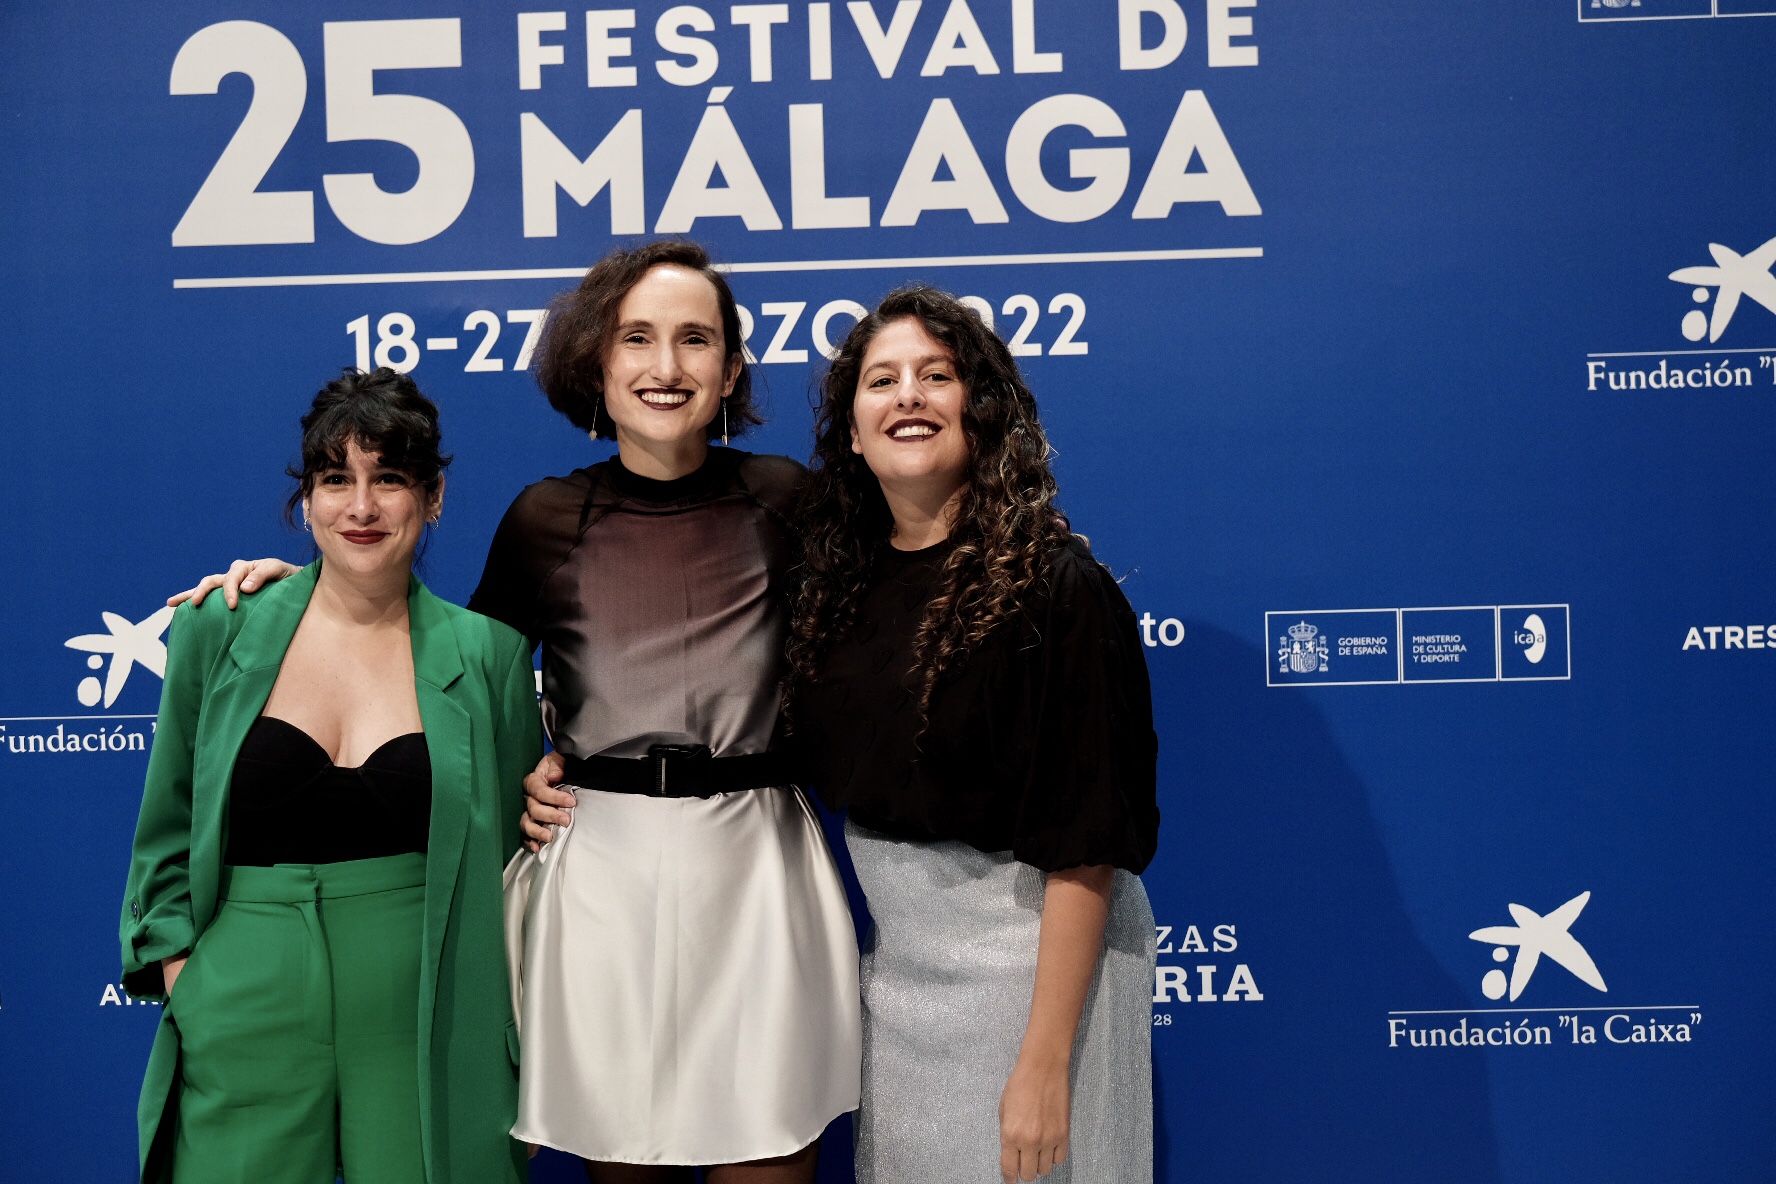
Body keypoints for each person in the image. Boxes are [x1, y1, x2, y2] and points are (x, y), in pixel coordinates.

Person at [171, 241, 861, 1184]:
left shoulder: (793, 500)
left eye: (695, 340)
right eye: (637, 339)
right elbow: (444, 666)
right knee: (628, 1153)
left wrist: (1009, 546)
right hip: (602, 873)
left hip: (760, 867)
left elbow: (908, 587)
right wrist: (307, 597)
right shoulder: (546, 516)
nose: (666, 367)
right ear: (597, 363)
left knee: (773, 1146)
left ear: (731, 368)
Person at [121, 368, 541, 1184]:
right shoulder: (219, 628)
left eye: (389, 479)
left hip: (429, 1000)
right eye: (336, 479)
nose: (362, 507)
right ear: (305, 501)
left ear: (434, 497)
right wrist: (187, 978)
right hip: (245, 991)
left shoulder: (488, 656)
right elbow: (166, 821)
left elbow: (515, 864)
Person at [787, 286, 1161, 1184]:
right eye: (882, 380)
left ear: (980, 411)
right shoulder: (835, 591)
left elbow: (1087, 842)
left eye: (936, 375)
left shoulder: (1059, 588)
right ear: (850, 428)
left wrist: (1042, 1063)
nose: (908, 395)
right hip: (902, 983)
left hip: (1037, 979)